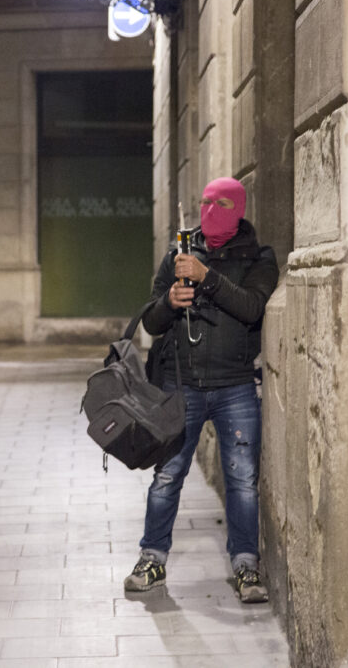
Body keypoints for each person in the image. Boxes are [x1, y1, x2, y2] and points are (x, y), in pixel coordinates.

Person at [125, 177, 279, 602]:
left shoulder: (258, 257)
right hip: (183, 386)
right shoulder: (179, 253)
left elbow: (252, 307)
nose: (210, 210)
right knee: (167, 475)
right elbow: (151, 322)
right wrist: (169, 302)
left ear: (238, 208)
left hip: (235, 387)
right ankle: (152, 559)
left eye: (221, 204)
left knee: (243, 480)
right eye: (205, 202)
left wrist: (206, 277)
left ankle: (246, 565)